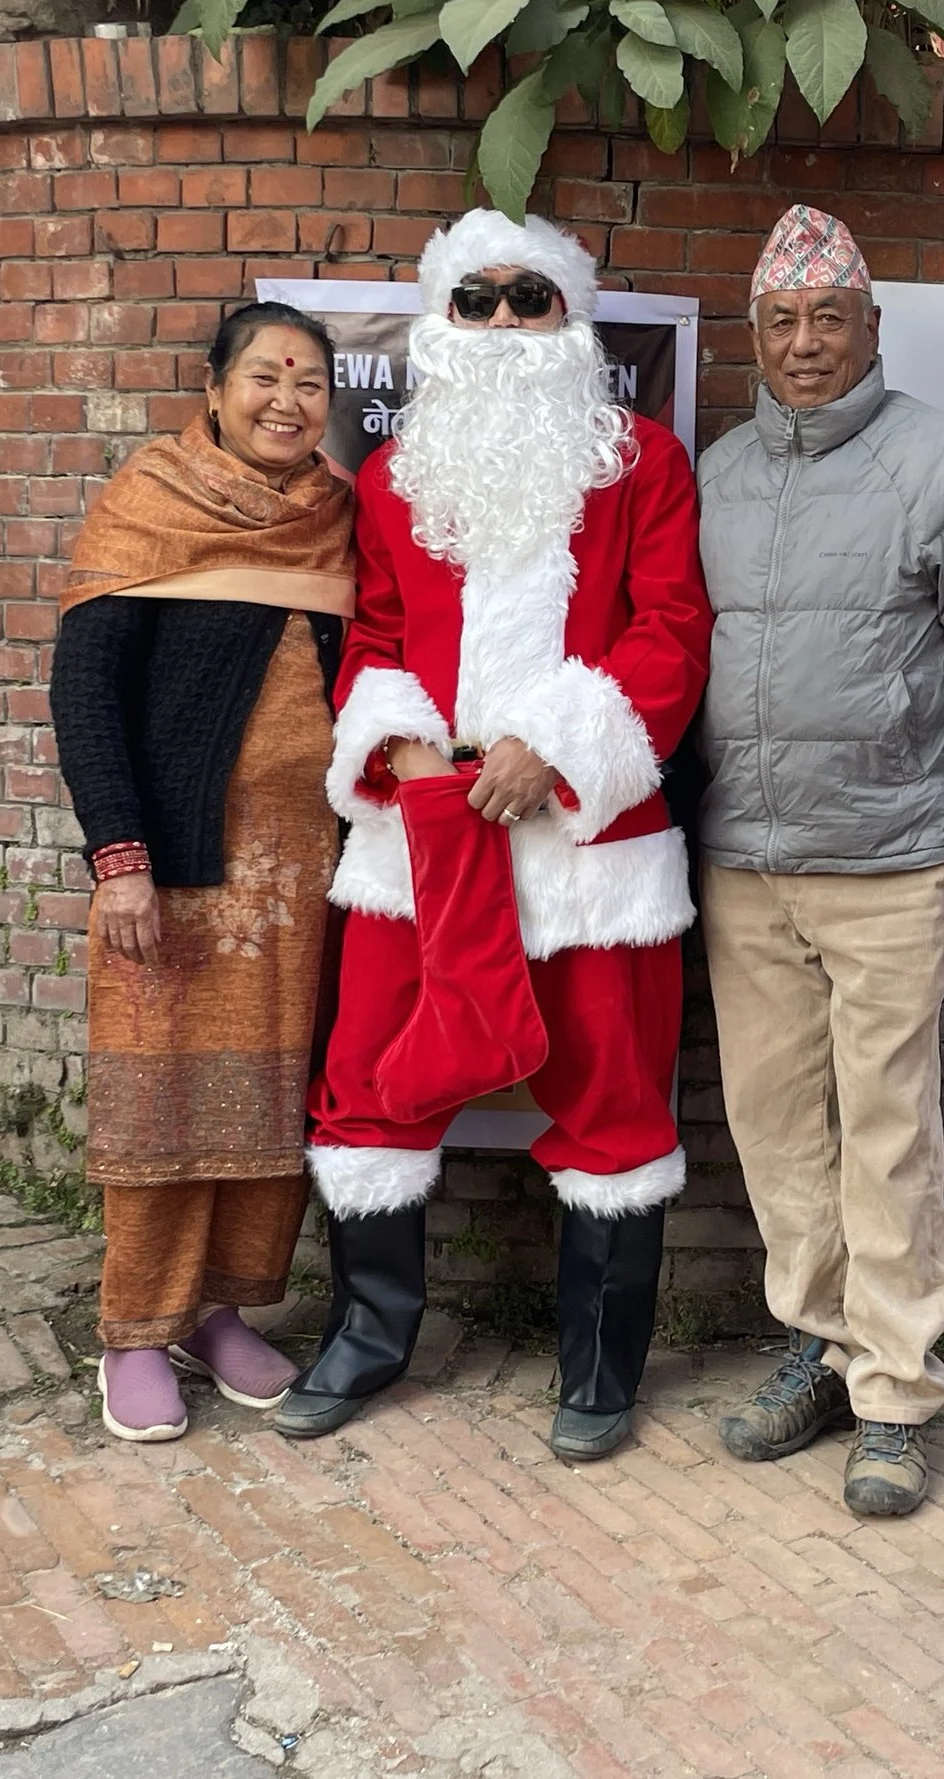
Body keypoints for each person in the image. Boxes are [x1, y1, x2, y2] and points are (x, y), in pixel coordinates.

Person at [279, 211, 712, 1461]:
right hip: (421, 843)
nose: (508, 324)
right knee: (368, 1078)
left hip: (588, 847)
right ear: (440, 322)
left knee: (614, 1101)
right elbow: (366, 639)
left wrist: (553, 750)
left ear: (572, 321)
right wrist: (399, 742)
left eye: (534, 300)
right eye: (479, 302)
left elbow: (671, 632)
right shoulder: (393, 478)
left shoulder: (644, 463)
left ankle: (597, 1367)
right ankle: (367, 1335)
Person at [695, 205, 944, 1517]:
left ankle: (897, 1394)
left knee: (890, 1132)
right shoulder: (720, 475)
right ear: (758, 333)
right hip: (743, 862)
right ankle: (818, 1340)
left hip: (895, 858)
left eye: (830, 318)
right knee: (779, 1124)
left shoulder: (942, 465)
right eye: (783, 321)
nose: (806, 343)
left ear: (872, 327)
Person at [50, 301, 356, 1444]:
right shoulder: (149, 505)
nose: (288, 400)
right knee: (164, 1096)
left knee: (271, 1099)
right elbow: (85, 696)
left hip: (298, 877)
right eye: (266, 378)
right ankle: (134, 1328)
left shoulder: (334, 516)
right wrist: (118, 860)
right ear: (217, 390)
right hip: (172, 874)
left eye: (311, 382)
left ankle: (218, 1312)